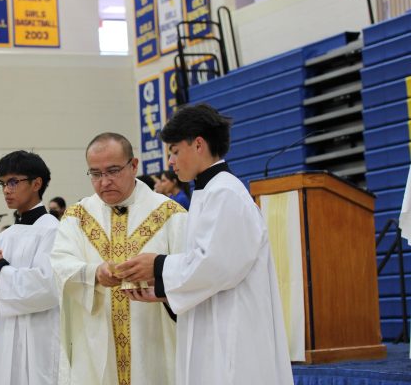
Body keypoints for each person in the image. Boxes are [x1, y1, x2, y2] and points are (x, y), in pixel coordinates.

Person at [116, 104, 294, 385]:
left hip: (233, 334)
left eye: (174, 151)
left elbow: (215, 265)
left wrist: (158, 265)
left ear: (198, 144)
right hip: (215, 325)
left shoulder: (225, 193)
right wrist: (163, 291)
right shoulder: (208, 192)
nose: (171, 163)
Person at [50, 132, 187, 385]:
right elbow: (59, 264)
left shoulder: (170, 215)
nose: (104, 182)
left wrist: (161, 280)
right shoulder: (77, 217)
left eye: (113, 171)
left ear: (134, 165)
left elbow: (191, 274)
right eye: (95, 173)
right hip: (94, 346)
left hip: (153, 342)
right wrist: (94, 273)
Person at [0, 150, 60, 385]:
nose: (7, 190)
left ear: (36, 184)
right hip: (4, 335)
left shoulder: (53, 230)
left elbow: (48, 287)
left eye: (13, 182)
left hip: (38, 337)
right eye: (2, 184)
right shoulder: (5, 236)